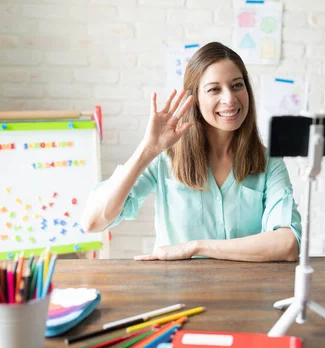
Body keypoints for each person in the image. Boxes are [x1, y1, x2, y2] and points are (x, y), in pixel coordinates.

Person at [81, 42, 302, 262]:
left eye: (237, 85)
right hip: (178, 293)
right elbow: (93, 222)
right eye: (214, 89)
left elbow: (287, 244)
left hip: (246, 292)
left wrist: (195, 247)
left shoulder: (269, 162)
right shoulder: (164, 158)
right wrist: (147, 150)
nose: (230, 99)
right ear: (194, 98)